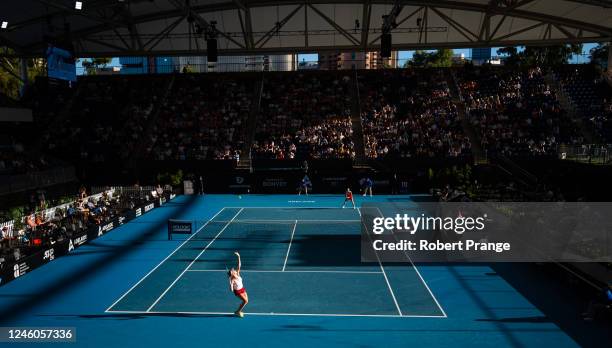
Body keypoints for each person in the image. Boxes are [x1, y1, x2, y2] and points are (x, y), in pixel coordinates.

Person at [228, 251, 248, 318]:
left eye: (233, 270)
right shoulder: (232, 279)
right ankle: (237, 311)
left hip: (242, 288)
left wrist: (238, 256)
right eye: (232, 270)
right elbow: (231, 290)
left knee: (246, 301)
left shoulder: (237, 273)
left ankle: (237, 311)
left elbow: (239, 265)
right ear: (232, 273)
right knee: (245, 301)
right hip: (238, 291)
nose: (234, 270)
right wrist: (230, 283)